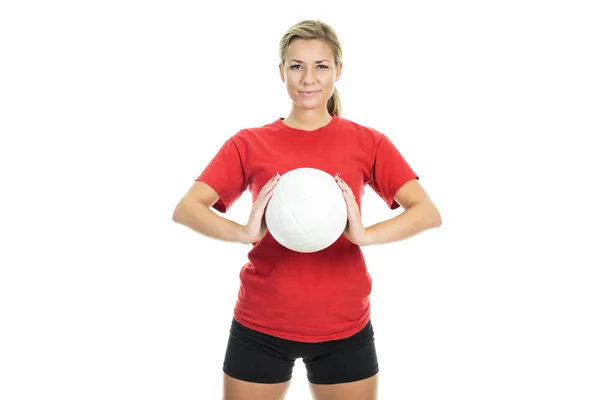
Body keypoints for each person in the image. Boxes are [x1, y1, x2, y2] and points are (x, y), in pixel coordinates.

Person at [172, 19, 441, 400]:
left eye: (321, 66)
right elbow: (187, 208)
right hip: (260, 325)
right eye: (296, 66)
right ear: (281, 71)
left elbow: (427, 211)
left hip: (344, 328)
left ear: (339, 71)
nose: (308, 78)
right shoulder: (249, 143)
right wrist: (244, 232)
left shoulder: (369, 142)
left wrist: (364, 235)